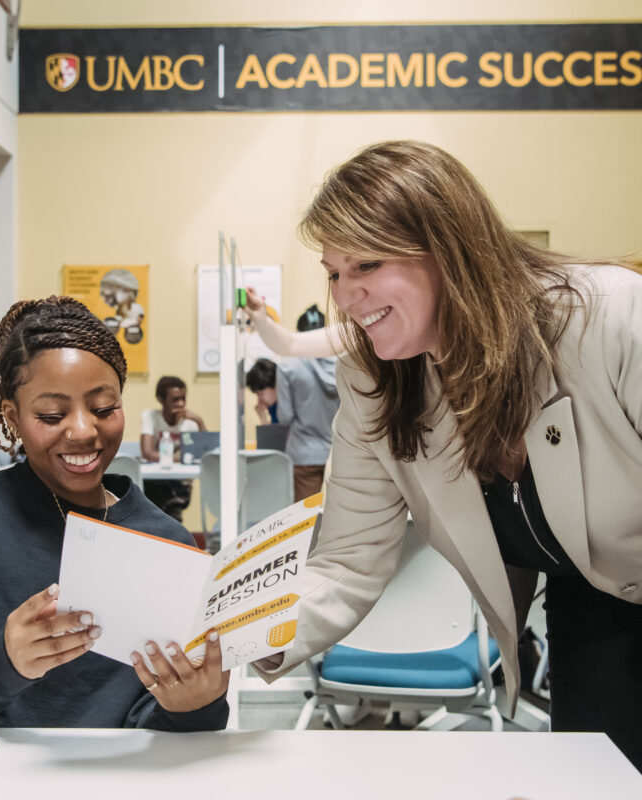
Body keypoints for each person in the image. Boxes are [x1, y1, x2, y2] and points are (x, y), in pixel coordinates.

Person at [252, 140, 642, 770]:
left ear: (449, 249)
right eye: (333, 272)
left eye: (367, 265)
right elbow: (347, 561)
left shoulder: (610, 317)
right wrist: (236, 637)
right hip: (593, 605)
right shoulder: (374, 382)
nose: (346, 296)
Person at [0, 296, 229, 731]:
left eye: (104, 409)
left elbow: (165, 731)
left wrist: (194, 705)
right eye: (51, 414)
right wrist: (4, 662)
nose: (83, 431)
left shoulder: (166, 542)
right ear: (12, 417)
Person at [272, 306, 341, 501]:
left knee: (306, 522)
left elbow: (285, 416)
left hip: (303, 454)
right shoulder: (342, 364)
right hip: (339, 454)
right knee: (336, 518)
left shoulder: (287, 365)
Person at [139, 376, 205, 522]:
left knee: (159, 502)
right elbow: (147, 452)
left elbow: (203, 454)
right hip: (155, 481)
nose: (181, 404)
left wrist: (200, 421)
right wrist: (181, 459)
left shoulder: (190, 423)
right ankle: (171, 527)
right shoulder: (151, 417)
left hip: (180, 483)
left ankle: (168, 529)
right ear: (161, 399)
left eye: (183, 399)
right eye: (175, 399)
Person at [243, 358, 279, 423]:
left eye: (261, 394)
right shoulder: (273, 408)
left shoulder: (286, 409)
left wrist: (263, 418)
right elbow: (274, 432)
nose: (259, 399)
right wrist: (262, 416)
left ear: (275, 385)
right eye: (257, 394)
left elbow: (273, 433)